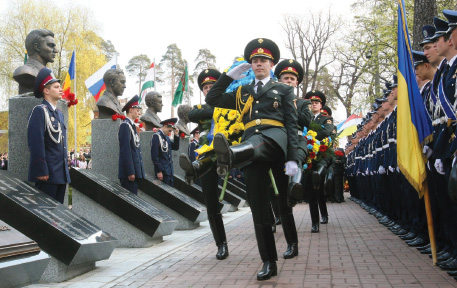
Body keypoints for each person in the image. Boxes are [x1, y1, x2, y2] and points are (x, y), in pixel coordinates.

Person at [205, 38, 299, 281]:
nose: (259, 64)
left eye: (263, 60)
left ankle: (232, 155)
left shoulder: (284, 90)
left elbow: (291, 127)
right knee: (259, 207)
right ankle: (269, 261)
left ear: (271, 64)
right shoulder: (242, 91)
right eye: (255, 61)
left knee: (283, 200)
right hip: (251, 148)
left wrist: (293, 161)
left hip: (275, 141)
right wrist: (227, 76)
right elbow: (212, 99)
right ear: (251, 65)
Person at [180, 68, 230, 260]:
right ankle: (221, 243)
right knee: (211, 202)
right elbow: (191, 115)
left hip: (231, 152)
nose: (209, 90)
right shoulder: (201, 110)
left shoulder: (230, 102)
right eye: (206, 88)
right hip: (208, 156)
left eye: (213, 86)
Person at [27, 67, 70, 204]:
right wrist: (40, 170)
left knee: (58, 217)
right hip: (47, 175)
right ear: (46, 91)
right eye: (56, 87)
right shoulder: (39, 111)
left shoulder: (59, 114)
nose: (61, 89)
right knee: (45, 216)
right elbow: (36, 143)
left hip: (61, 174)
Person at [303, 90, 334, 233]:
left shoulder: (325, 118)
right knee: (311, 190)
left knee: (319, 187)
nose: (313, 104)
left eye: (316, 102)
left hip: (321, 153)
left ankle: (324, 214)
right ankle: (315, 222)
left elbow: (327, 131)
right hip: (308, 154)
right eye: (311, 102)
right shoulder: (304, 117)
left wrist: (311, 136)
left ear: (321, 105)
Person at [13, 29, 57, 94]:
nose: (56, 50)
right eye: (50, 45)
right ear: (37, 47)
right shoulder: (25, 71)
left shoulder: (49, 74)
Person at [118, 95, 145, 194]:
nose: (139, 113)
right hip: (129, 173)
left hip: (135, 171)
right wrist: (130, 171)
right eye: (137, 110)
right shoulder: (125, 126)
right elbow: (125, 150)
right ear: (130, 110)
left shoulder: (131, 126)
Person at [151, 118, 179, 186]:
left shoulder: (166, 137)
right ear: (165, 126)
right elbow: (155, 155)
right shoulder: (156, 136)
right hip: (162, 171)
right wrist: (159, 171)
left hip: (169, 171)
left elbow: (175, 147)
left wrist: (176, 135)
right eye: (169, 131)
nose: (170, 133)